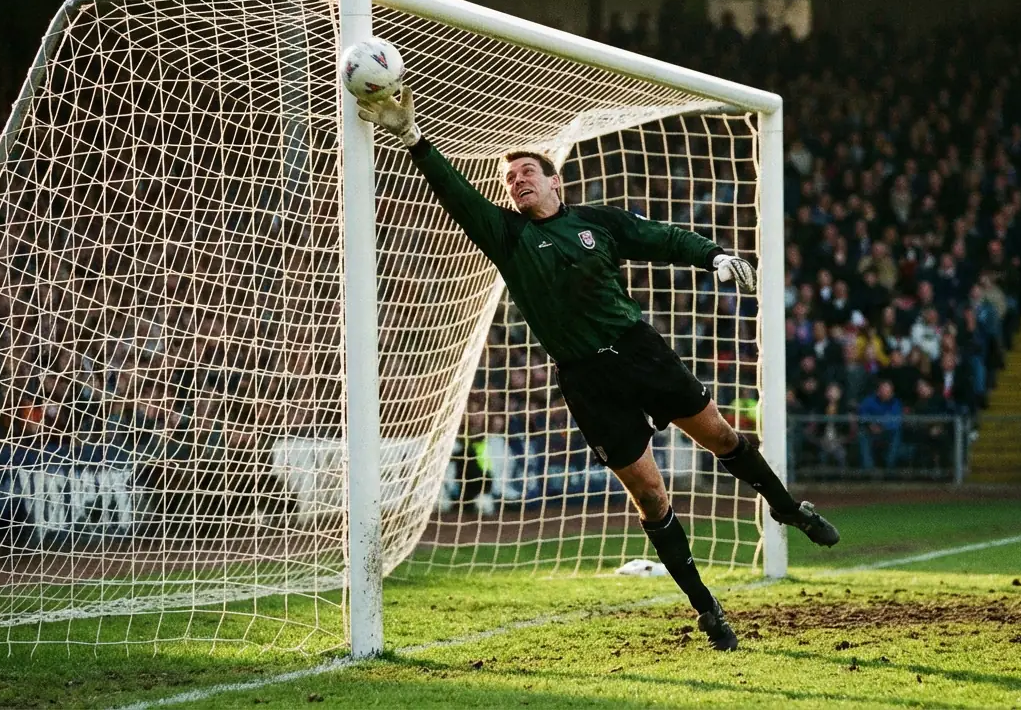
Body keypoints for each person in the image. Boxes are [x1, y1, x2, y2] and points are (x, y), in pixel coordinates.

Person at [357, 87, 839, 651]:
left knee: (722, 437)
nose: (518, 181)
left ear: (554, 180)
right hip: (586, 381)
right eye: (510, 178)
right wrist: (413, 138)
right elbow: (458, 196)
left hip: (639, 351)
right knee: (651, 496)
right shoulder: (508, 238)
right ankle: (707, 608)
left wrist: (714, 255)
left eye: (528, 172)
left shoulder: (596, 222)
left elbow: (659, 237)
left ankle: (787, 509)